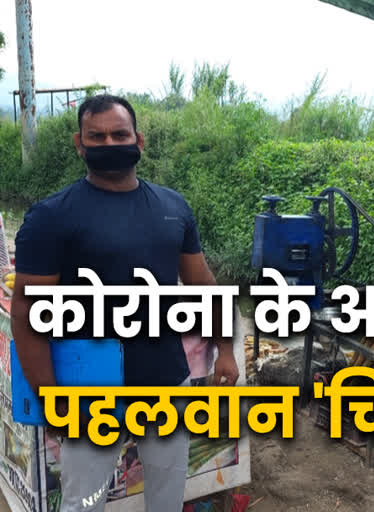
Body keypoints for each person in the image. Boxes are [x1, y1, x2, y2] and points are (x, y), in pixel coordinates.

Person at [11, 94, 239, 512]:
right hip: (88, 389)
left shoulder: (173, 208)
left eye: (120, 133)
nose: (110, 143)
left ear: (140, 139)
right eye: (96, 136)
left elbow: (203, 286)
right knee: (84, 501)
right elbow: (27, 316)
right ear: (79, 144)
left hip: (165, 378)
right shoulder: (52, 217)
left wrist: (225, 350)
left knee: (168, 490)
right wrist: (52, 398)